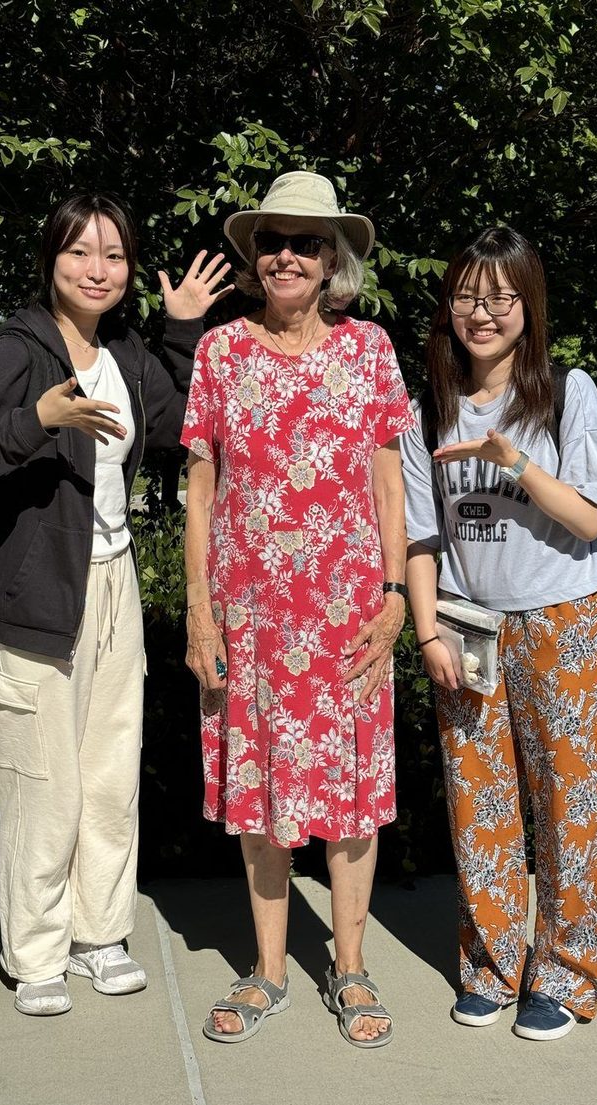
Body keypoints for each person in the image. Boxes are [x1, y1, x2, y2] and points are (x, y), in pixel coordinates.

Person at [0, 192, 231, 1016]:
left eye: (113, 256)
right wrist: (38, 417)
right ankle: (36, 953)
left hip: (112, 581)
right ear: (50, 260)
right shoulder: (20, 349)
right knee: (42, 779)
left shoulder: (127, 350)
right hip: (33, 593)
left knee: (106, 774)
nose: (97, 270)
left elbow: (175, 429)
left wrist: (180, 332)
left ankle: (100, 934)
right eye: (80, 253)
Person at [182, 171, 413, 1047]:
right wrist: (199, 613)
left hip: (349, 614)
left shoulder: (369, 351)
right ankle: (270, 970)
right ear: (255, 255)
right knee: (262, 789)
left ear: (332, 261)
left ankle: (349, 967)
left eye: (306, 242)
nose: (287, 254)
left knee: (351, 797)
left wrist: (394, 596)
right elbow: (201, 489)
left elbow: (390, 481)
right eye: (273, 239)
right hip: (252, 620)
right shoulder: (219, 353)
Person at [401, 226, 597, 1040]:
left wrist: (515, 464)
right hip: (467, 623)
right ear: (450, 305)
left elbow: (594, 517)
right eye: (468, 294)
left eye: (501, 296)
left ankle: (566, 975)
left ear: (528, 307)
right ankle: (493, 968)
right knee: (480, 802)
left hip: (563, 620)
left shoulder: (567, 392)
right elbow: (421, 535)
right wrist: (425, 630)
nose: (483, 312)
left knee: (571, 804)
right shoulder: (425, 400)